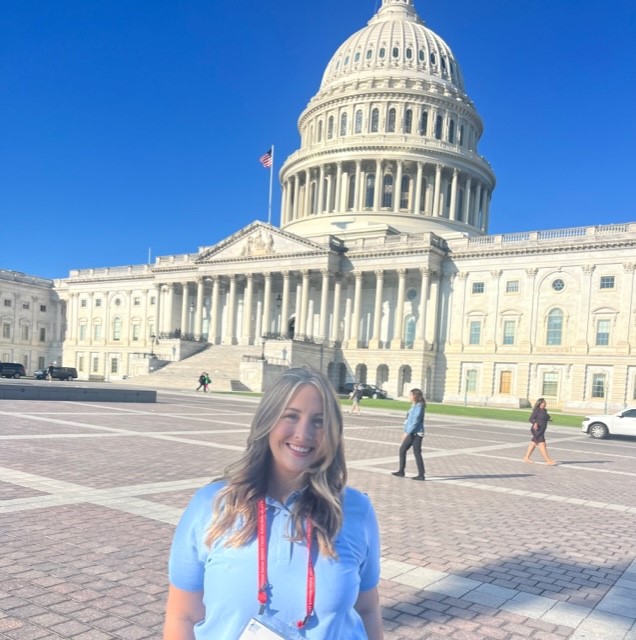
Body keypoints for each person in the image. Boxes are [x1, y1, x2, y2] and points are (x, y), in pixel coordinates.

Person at [164, 367, 383, 640]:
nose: (303, 433)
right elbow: (183, 615)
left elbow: (368, 610)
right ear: (267, 421)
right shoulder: (212, 504)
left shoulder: (355, 509)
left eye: (319, 421)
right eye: (290, 416)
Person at [392, 388, 426, 481]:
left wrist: (406, 433)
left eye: (410, 395)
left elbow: (415, 421)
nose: (409, 396)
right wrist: (405, 430)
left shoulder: (419, 407)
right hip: (412, 433)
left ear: (415, 396)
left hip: (417, 433)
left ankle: (421, 475)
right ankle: (401, 471)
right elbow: (408, 420)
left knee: (417, 453)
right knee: (402, 450)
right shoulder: (414, 406)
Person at [523, 397, 557, 465]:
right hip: (537, 430)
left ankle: (526, 457)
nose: (545, 403)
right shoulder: (537, 410)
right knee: (542, 444)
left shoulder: (544, 410)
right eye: (544, 402)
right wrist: (535, 423)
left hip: (541, 430)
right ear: (540, 403)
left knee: (533, 443)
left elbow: (544, 418)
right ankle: (548, 461)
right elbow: (531, 419)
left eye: (545, 402)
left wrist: (549, 420)